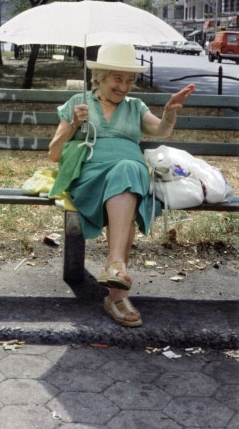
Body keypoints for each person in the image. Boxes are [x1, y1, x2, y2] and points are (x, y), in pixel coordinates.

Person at [48, 42, 195, 328]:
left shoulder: (135, 106)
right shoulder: (77, 104)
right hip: (90, 177)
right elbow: (54, 153)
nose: (125, 86)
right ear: (99, 77)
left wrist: (169, 113)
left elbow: (161, 130)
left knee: (127, 173)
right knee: (126, 198)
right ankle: (116, 292)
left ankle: (116, 270)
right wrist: (72, 126)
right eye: (118, 78)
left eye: (130, 80)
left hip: (130, 173)